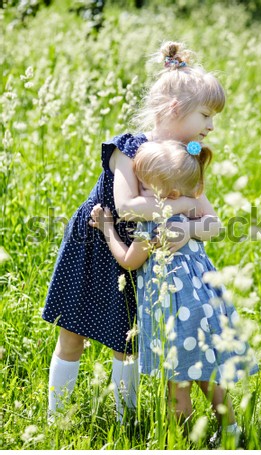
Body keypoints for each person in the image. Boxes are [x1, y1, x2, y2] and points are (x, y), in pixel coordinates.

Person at [42, 40, 226, 423]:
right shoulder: (131, 149)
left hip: (141, 256)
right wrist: (181, 207)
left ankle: (126, 420)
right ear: (176, 109)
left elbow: (213, 224)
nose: (210, 126)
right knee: (73, 333)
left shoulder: (187, 161)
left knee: (125, 340)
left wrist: (187, 232)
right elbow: (126, 206)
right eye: (206, 115)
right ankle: (57, 419)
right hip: (95, 240)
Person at [91, 139, 258, 444]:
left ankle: (186, 443)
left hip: (176, 314)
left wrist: (107, 229)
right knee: (208, 373)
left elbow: (129, 262)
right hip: (206, 304)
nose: (136, 191)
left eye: (143, 186)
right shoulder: (189, 217)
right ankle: (231, 429)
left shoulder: (153, 227)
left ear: (167, 195)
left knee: (177, 384)